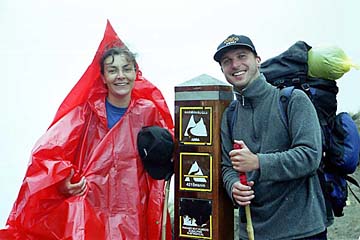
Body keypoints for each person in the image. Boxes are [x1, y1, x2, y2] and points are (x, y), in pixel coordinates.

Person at [0, 22, 173, 240]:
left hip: (133, 214)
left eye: (127, 69)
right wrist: (64, 179)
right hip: (91, 212)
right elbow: (47, 155)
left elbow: (169, 154)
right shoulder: (85, 114)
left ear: (136, 73)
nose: (121, 75)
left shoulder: (149, 112)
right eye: (113, 70)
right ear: (102, 77)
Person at [214, 34, 328, 239]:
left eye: (242, 56)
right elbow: (227, 167)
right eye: (227, 61)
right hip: (252, 232)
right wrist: (234, 188)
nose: (235, 65)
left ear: (257, 60)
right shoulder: (229, 115)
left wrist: (258, 162)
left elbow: (310, 156)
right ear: (222, 69)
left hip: (302, 231)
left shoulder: (293, 100)